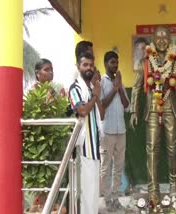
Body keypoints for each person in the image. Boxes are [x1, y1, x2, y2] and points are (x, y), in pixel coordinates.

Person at [129, 26, 176, 203]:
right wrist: (134, 110)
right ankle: (153, 191)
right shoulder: (145, 61)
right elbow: (137, 88)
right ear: (153, 39)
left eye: (165, 37)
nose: (161, 41)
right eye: (158, 37)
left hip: (171, 110)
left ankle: (174, 188)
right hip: (151, 111)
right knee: (151, 150)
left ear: (170, 40)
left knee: (173, 150)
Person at [68, 52, 104, 214]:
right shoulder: (75, 88)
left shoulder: (91, 88)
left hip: (95, 149)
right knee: (86, 194)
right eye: (85, 65)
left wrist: (96, 93)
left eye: (91, 65)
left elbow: (101, 114)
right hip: (84, 150)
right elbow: (82, 110)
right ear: (78, 67)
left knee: (93, 194)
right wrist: (95, 95)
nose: (88, 68)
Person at [100, 51, 130, 211]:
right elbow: (102, 104)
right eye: (112, 62)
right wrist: (114, 88)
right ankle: (106, 199)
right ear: (105, 64)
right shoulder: (102, 82)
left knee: (118, 166)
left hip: (121, 131)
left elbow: (126, 105)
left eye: (117, 62)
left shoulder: (120, 82)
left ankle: (116, 197)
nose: (115, 65)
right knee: (105, 167)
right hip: (107, 132)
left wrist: (119, 87)